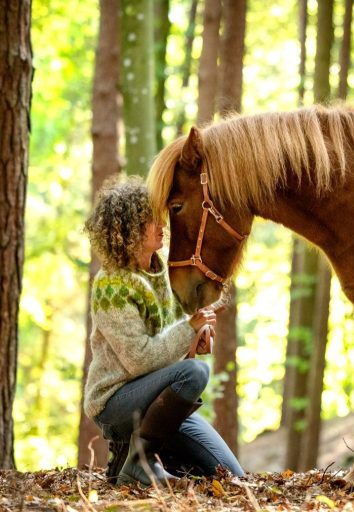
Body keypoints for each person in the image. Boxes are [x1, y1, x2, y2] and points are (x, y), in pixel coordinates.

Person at [83, 176, 244, 485]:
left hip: (157, 405)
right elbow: (140, 361)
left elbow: (171, 348)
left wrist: (197, 337)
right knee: (194, 374)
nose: (161, 224)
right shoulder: (112, 285)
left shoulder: (164, 272)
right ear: (127, 230)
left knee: (231, 477)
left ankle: (134, 460)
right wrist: (188, 330)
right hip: (115, 402)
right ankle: (138, 461)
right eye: (149, 219)